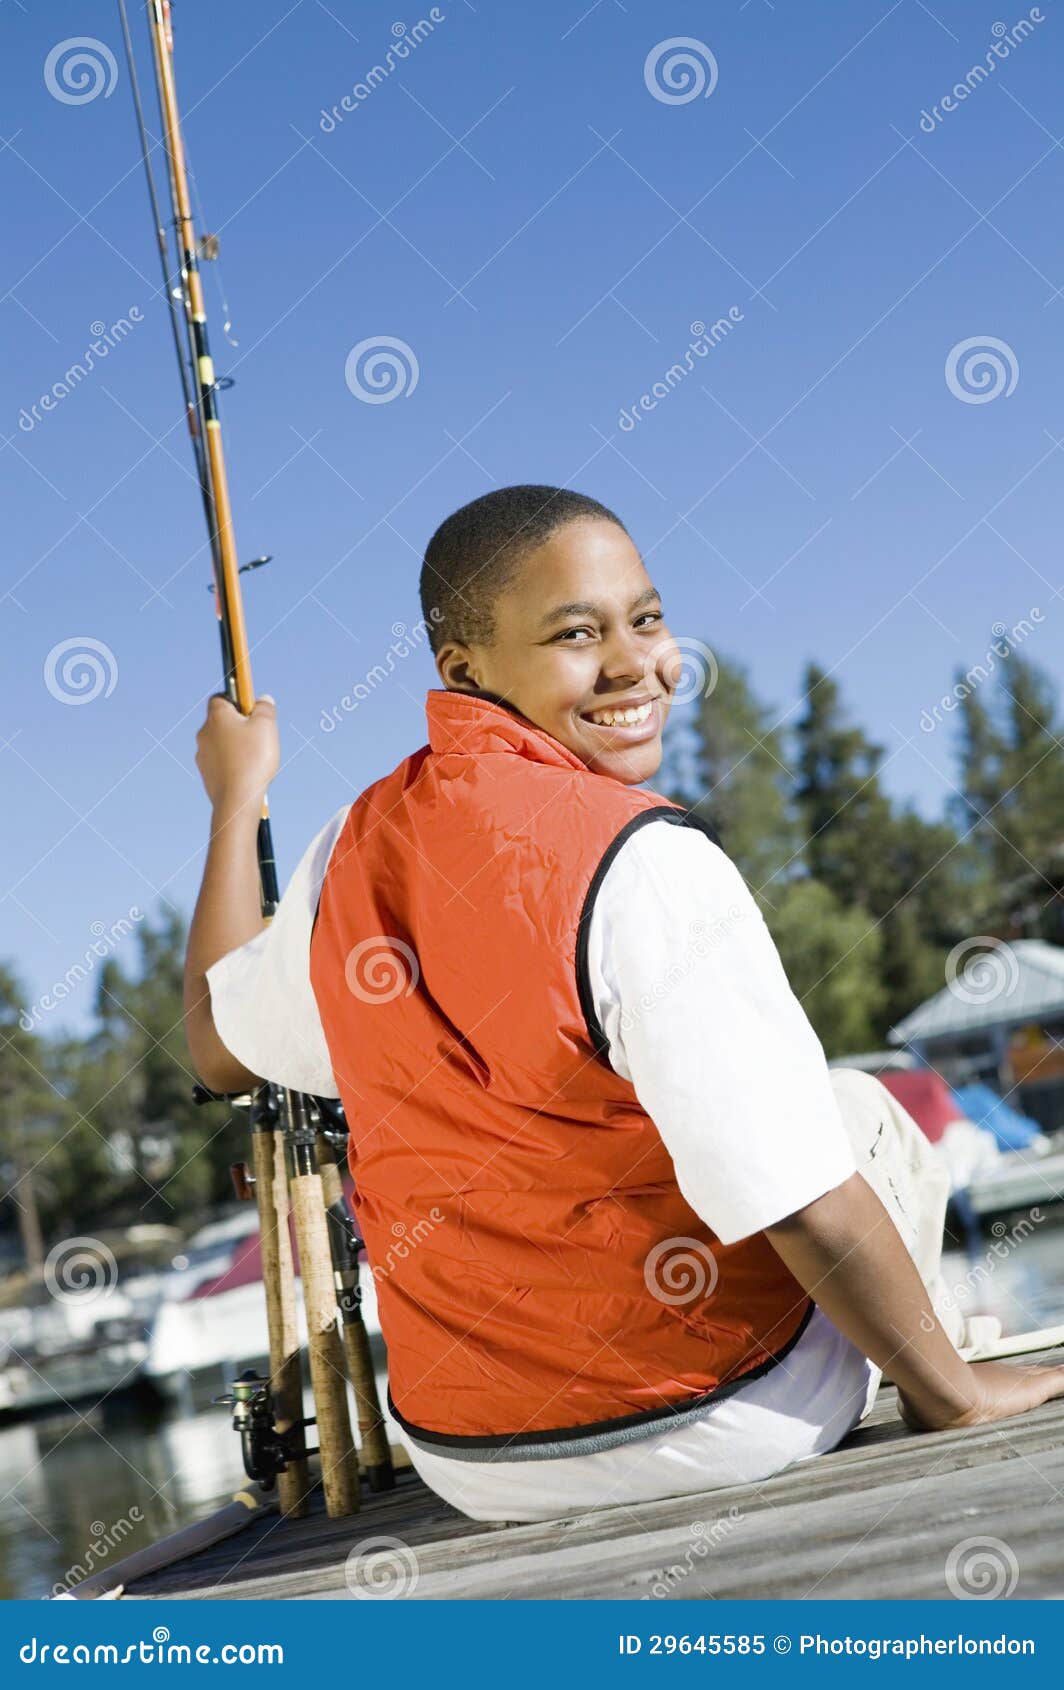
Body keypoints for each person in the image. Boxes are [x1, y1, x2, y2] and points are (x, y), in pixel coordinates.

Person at [184, 485, 1064, 1525]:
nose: (634, 662)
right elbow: (796, 1191)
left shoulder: (345, 852)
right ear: (464, 669)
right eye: (573, 634)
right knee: (852, 1111)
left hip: (471, 1463)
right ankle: (938, 1370)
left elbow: (212, 1042)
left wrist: (236, 800)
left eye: (643, 619)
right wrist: (957, 1403)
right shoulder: (641, 856)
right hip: (719, 1419)